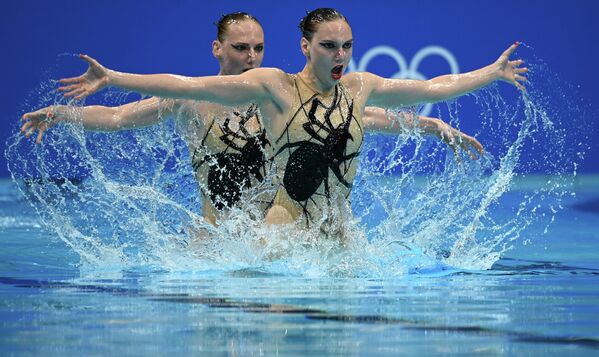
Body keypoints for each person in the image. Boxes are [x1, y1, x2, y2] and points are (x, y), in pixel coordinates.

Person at [22, 9, 494, 232]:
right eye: (240, 48)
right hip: (220, 238)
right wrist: (66, 113)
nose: (250, 57)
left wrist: (434, 127)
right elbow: (122, 116)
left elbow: (360, 118)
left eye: (258, 49)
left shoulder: (280, 98)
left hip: (274, 230)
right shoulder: (200, 103)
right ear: (217, 50)